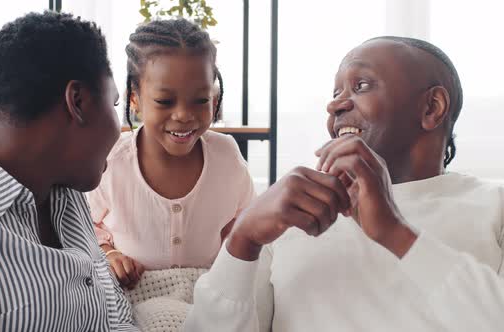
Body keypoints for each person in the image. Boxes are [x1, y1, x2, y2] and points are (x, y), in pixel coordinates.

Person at [184, 36, 504, 331]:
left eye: (361, 85)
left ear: (431, 108)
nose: (335, 105)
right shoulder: (291, 215)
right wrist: (242, 240)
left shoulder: (493, 205)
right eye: (336, 93)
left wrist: (395, 233)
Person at [0, 12, 139, 331]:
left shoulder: (65, 186)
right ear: (77, 101)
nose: (121, 129)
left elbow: (118, 320)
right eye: (114, 106)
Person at [87, 18, 255, 289]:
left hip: (207, 295)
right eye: (165, 101)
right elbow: (84, 228)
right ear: (135, 98)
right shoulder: (111, 163)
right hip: (136, 296)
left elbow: (246, 221)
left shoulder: (226, 156)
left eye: (200, 100)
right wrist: (111, 254)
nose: (184, 115)